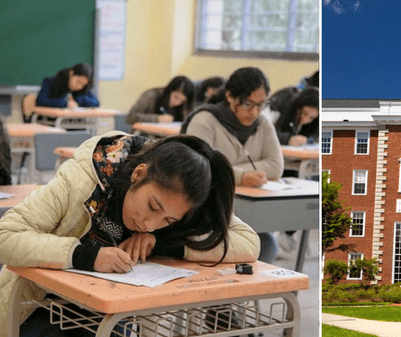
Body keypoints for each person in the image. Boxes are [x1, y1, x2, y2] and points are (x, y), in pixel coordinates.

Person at [0, 131, 259, 336]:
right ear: (138, 174)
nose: (149, 224)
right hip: (38, 307)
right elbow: (7, 235)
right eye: (152, 207)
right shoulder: (83, 178)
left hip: (109, 313)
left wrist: (162, 242)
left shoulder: (180, 198)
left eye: (168, 220)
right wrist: (84, 255)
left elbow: (248, 242)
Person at [181, 67, 283, 263]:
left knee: (267, 243)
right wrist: (241, 176)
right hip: (205, 211)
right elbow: (198, 167)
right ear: (230, 96)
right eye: (247, 104)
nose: (254, 112)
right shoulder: (204, 121)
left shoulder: (263, 124)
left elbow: (276, 166)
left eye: (261, 105)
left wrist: (225, 168)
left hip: (244, 210)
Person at [126, 76, 195, 125]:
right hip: (145, 136)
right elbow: (130, 117)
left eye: (182, 101)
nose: (177, 102)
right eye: (176, 97)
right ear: (169, 91)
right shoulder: (151, 95)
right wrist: (157, 119)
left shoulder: (184, 106)